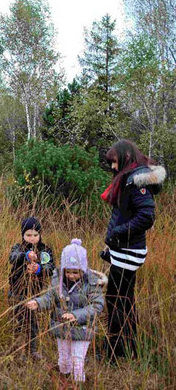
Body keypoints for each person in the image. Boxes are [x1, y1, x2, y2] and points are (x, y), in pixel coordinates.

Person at [100, 139, 165, 361]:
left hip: (129, 252)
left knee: (117, 300)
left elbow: (146, 217)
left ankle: (116, 354)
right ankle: (128, 350)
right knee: (123, 300)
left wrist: (117, 233)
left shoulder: (137, 181)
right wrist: (113, 246)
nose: (113, 167)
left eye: (115, 162)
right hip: (125, 251)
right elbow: (127, 213)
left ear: (126, 158)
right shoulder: (132, 179)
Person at [26, 239, 106, 384]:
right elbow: (50, 297)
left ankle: (78, 384)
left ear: (83, 269)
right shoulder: (58, 279)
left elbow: (97, 305)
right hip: (62, 327)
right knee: (63, 358)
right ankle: (64, 379)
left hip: (82, 329)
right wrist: (38, 302)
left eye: (75, 272)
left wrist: (76, 315)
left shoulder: (92, 282)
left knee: (77, 360)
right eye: (68, 271)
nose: (71, 275)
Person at [8, 217, 55, 359]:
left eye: (35, 235)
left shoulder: (45, 250)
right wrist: (26, 256)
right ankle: (18, 349)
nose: (32, 238)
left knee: (32, 322)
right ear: (23, 235)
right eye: (28, 235)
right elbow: (12, 257)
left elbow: (51, 267)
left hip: (35, 293)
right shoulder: (18, 248)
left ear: (40, 235)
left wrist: (39, 269)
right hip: (16, 291)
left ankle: (32, 350)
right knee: (18, 321)